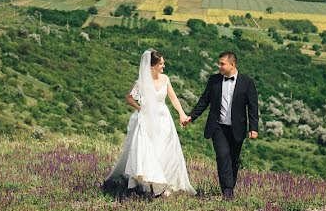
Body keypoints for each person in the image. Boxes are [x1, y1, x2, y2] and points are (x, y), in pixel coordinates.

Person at [104, 50, 195, 197]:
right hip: (147, 119)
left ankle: (164, 182)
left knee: (164, 149)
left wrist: (182, 114)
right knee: (150, 150)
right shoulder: (142, 82)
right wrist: (140, 108)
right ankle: (150, 184)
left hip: (163, 118)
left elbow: (173, 98)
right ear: (152, 66)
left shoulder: (165, 79)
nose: (163, 67)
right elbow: (129, 98)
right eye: (161, 64)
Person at [182, 50, 258, 200]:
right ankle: (227, 191)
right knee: (222, 156)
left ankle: (229, 186)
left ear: (232, 64)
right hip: (218, 127)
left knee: (234, 159)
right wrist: (191, 116)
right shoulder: (214, 80)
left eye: (222, 64)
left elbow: (253, 106)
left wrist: (253, 128)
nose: (219, 66)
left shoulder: (247, 82)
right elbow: (204, 100)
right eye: (219, 63)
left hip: (237, 128)